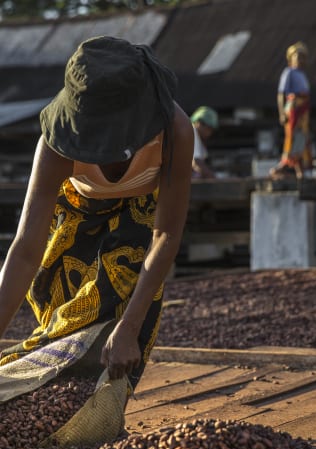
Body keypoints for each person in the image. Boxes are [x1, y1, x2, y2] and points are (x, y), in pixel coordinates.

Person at [0, 36, 194, 389]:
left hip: (141, 220)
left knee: (120, 316)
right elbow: (27, 248)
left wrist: (129, 328)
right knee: (66, 323)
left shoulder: (174, 132)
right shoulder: (55, 144)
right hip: (77, 215)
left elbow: (165, 235)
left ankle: (98, 399)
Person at [269, 41, 312, 180]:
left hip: (302, 111)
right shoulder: (289, 72)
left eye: (303, 57)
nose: (300, 60)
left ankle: (300, 169)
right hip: (293, 109)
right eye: (298, 57)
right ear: (291, 58)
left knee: (301, 138)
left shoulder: (302, 74)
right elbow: (281, 94)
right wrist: (281, 113)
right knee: (292, 138)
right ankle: (283, 165)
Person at [191, 105, 218, 179]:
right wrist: (215, 179)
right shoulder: (191, 131)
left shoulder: (199, 138)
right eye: (208, 128)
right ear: (199, 123)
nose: (210, 133)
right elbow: (196, 163)